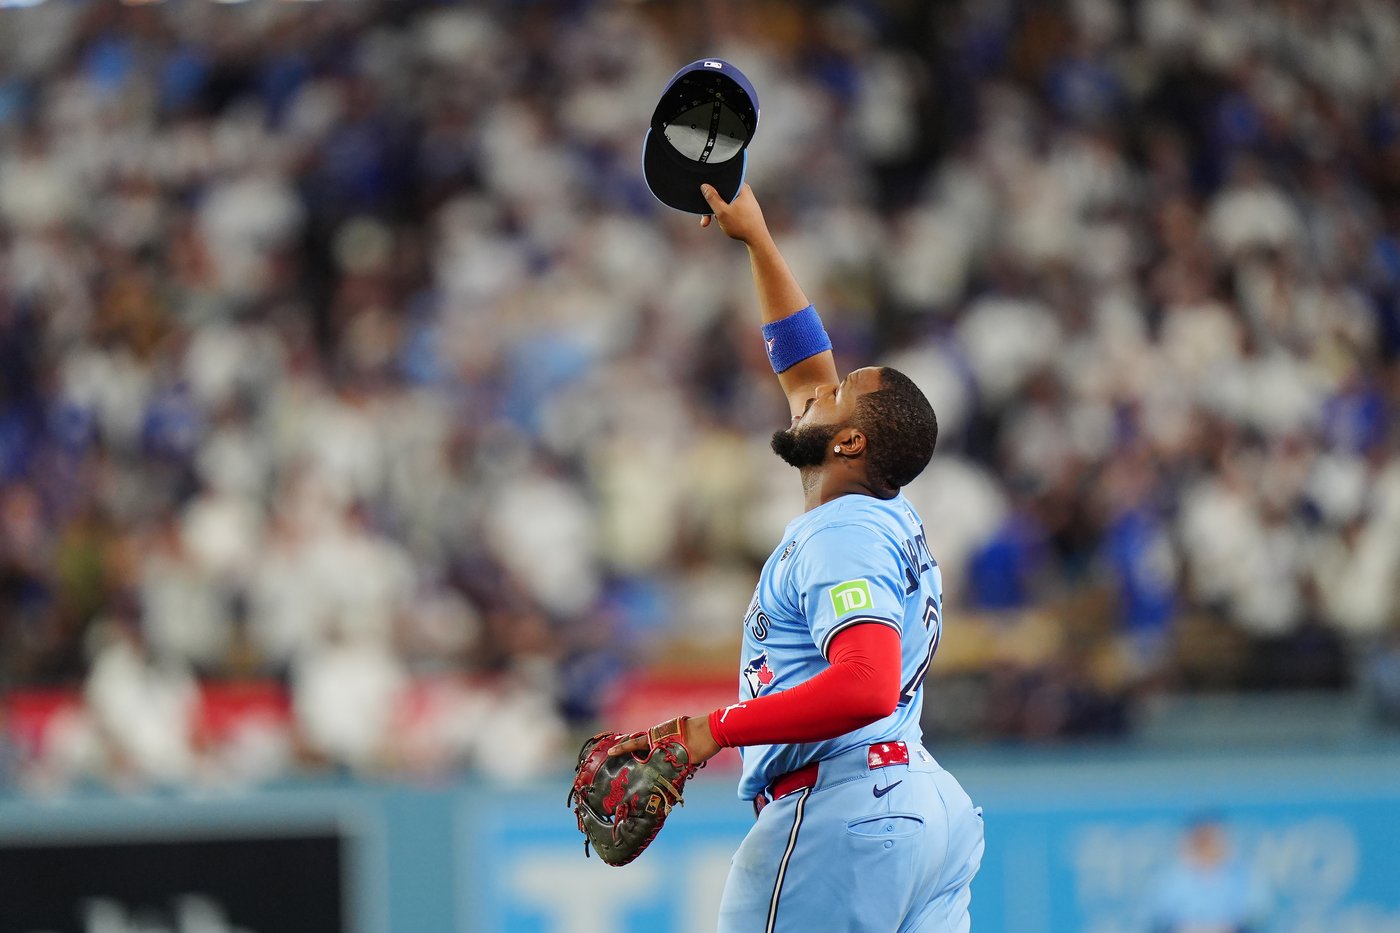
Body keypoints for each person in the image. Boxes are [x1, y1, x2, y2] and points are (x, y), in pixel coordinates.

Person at [608, 184, 984, 932]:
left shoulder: (840, 530)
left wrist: (713, 729)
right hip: (921, 809)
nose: (816, 387)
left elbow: (867, 683)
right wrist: (756, 238)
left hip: (844, 813)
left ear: (849, 443)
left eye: (839, 393)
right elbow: (805, 363)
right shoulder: (881, 510)